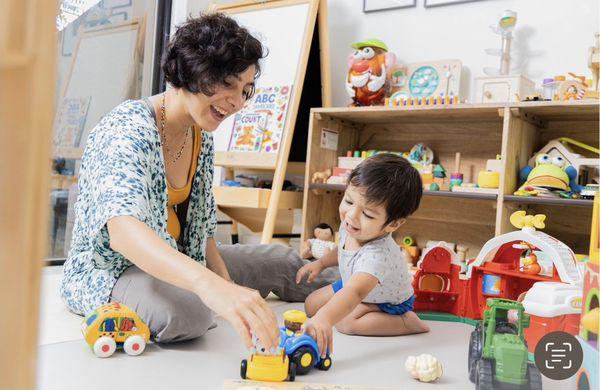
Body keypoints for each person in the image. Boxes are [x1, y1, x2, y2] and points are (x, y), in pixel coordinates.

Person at [60, 13, 338, 349]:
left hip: (182, 260)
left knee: (280, 261)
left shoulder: (201, 135)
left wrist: (224, 283)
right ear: (194, 70)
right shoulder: (125, 128)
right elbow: (124, 233)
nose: (237, 102)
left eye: (245, 90)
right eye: (229, 84)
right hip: (116, 272)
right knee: (188, 312)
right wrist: (213, 288)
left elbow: (203, 232)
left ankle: (372, 285)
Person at [296, 154, 430, 357]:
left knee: (345, 323)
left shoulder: (377, 255)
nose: (351, 215)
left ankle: (406, 323)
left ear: (393, 224)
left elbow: (355, 294)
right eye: (349, 201)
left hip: (385, 302)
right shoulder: (352, 224)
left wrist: (325, 318)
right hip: (354, 284)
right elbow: (342, 249)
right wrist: (321, 263)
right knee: (311, 305)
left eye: (367, 214)